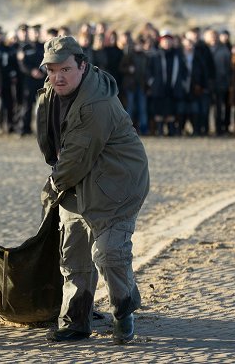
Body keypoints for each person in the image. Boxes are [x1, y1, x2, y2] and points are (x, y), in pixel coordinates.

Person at [36, 36, 149, 344]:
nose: (58, 76)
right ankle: (75, 321)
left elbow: (76, 156)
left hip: (117, 183)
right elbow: (54, 145)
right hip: (78, 181)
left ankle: (124, 309)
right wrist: (59, 177)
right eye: (52, 70)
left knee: (110, 252)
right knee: (73, 254)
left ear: (82, 67)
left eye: (66, 69)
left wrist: (54, 183)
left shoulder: (95, 103)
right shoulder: (50, 93)